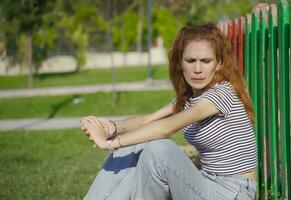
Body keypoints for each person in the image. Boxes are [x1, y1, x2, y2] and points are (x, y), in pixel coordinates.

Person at [80, 22, 257, 200]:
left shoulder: (220, 94)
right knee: (137, 142)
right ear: (180, 62)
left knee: (159, 149)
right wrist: (111, 127)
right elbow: (146, 121)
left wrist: (109, 144)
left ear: (219, 63)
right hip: (207, 182)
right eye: (190, 61)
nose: (197, 69)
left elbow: (167, 128)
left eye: (205, 61)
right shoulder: (189, 99)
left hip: (233, 192)